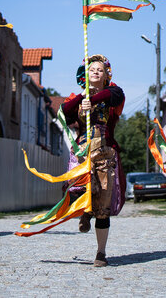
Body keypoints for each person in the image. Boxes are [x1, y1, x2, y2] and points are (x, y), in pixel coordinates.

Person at [63, 54, 125, 267]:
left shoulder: (113, 93)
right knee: (81, 189)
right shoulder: (77, 97)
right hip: (83, 153)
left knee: (103, 204)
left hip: (105, 153)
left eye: (100, 69)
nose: (96, 71)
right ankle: (85, 212)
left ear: (107, 74)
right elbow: (66, 111)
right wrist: (83, 98)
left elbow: (115, 95)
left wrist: (94, 99)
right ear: (85, 74)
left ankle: (101, 252)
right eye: (92, 69)